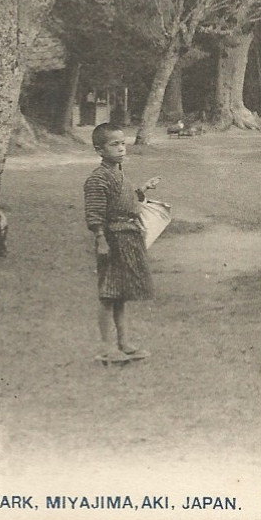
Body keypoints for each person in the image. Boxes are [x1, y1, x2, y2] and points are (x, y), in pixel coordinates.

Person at [84, 122, 160, 365]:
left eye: (123, 144)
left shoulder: (118, 174)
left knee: (121, 294)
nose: (121, 149)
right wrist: (101, 241)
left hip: (128, 237)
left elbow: (123, 200)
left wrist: (142, 190)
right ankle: (107, 348)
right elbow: (95, 214)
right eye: (114, 145)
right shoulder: (98, 179)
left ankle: (124, 343)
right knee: (109, 294)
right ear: (100, 150)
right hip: (113, 239)